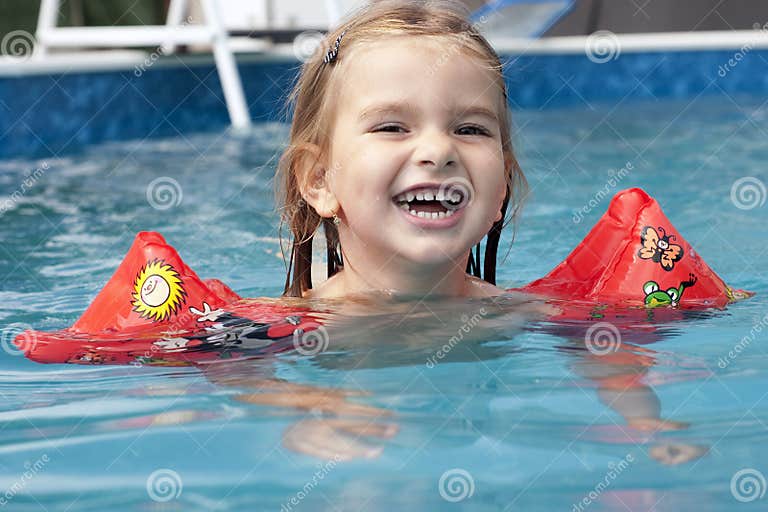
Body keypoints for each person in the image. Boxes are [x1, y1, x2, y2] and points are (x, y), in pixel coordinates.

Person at [276, 0, 527, 299]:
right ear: (320, 180)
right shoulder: (267, 334)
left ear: (502, 185)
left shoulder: (544, 322)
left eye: (470, 130)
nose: (438, 150)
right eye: (391, 128)